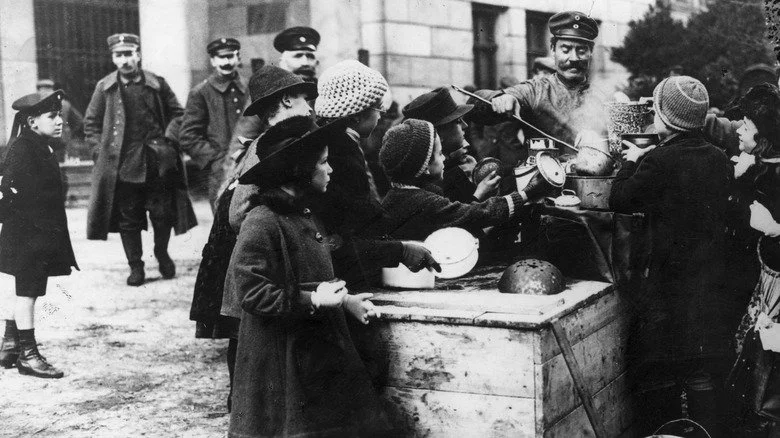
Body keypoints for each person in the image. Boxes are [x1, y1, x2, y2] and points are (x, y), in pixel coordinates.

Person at [221, 115, 390, 437]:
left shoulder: (304, 213)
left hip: (314, 353)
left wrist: (345, 302)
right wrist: (314, 299)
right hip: (281, 360)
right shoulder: (262, 221)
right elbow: (253, 293)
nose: (330, 169)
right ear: (299, 170)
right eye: (323, 162)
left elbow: (311, 280)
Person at [610, 75, 733, 435]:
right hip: (710, 279)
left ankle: (666, 430)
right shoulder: (718, 157)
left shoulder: (657, 161)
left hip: (669, 282)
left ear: (666, 118)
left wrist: (632, 161)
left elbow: (620, 198)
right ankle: (705, 428)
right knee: (699, 363)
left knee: (661, 362)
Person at [190, 64, 317, 412]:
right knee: (247, 333)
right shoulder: (270, 149)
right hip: (250, 251)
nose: (310, 107)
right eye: (306, 99)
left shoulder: (274, 143)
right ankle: (245, 405)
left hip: (252, 249)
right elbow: (238, 210)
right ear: (287, 101)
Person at [311, 59, 440, 287]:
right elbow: (355, 224)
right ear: (356, 115)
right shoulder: (342, 153)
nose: (381, 115)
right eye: (378, 108)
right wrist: (400, 250)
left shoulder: (336, 143)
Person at [84, 33, 196, 286]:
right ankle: (136, 266)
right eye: (118, 55)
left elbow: (178, 114)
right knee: (129, 218)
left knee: (162, 215)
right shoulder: (105, 87)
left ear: (138, 54)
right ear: (113, 57)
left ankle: (161, 252)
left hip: (158, 162)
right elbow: (90, 124)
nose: (124, 60)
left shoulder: (157, 83)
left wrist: (169, 142)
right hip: (122, 165)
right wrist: (99, 152)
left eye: (128, 54)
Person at [0, 90, 78, 378]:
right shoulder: (24, 149)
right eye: (52, 116)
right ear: (33, 121)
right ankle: (28, 355)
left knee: (25, 289)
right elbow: (10, 193)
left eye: (59, 115)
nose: (60, 121)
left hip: (35, 234)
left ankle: (9, 345)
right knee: (28, 293)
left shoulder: (40, 145)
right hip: (28, 235)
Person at [379, 118, 542, 242]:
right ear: (425, 166)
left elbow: (461, 217)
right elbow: (477, 214)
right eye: (440, 154)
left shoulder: (397, 195)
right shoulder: (425, 201)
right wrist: (527, 193)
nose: (444, 158)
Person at [725, 83, 780, 437]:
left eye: (745, 124)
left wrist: (776, 229)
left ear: (763, 134)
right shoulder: (764, 169)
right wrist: (741, 178)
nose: (739, 130)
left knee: (771, 373)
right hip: (766, 286)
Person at [487, 11, 608, 152]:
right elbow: (477, 105)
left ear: (591, 51)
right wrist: (500, 98)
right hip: (544, 173)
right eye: (566, 50)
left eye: (581, 50)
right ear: (553, 49)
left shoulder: (603, 96)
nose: (574, 58)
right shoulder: (535, 90)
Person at [225, 26, 322, 182]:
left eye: (309, 56)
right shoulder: (269, 94)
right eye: (298, 56)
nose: (305, 62)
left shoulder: (322, 92)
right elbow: (241, 143)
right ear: (283, 61)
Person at [180, 37, 248, 212]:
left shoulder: (250, 87)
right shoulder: (201, 93)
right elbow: (188, 136)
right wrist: (216, 159)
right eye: (221, 57)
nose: (226, 62)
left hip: (253, 165)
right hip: (221, 173)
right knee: (224, 226)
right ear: (213, 61)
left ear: (238, 58)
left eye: (231, 56)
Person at [402, 87, 501, 203]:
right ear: (438, 134)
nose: (465, 126)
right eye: (458, 121)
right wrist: (481, 194)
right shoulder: (442, 178)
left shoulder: (459, 163)